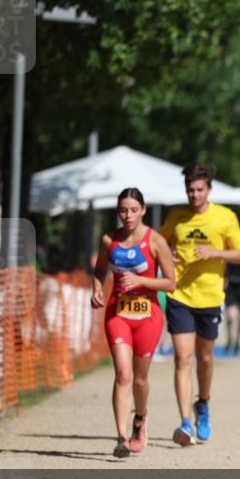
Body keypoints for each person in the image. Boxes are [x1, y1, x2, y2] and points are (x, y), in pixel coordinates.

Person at [160, 162, 240, 446]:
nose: (194, 195)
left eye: (199, 190)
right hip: (180, 295)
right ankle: (185, 422)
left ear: (209, 189)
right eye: (190, 190)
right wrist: (168, 255)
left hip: (210, 297)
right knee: (182, 358)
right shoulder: (177, 216)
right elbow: (159, 243)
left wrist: (215, 252)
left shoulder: (224, 217)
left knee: (205, 358)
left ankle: (204, 404)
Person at [91, 188, 176, 458]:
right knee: (123, 374)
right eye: (123, 210)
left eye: (133, 210)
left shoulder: (156, 241)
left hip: (148, 316)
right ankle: (121, 437)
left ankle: (140, 419)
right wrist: (97, 289)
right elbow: (100, 270)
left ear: (143, 210)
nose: (127, 215)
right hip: (118, 314)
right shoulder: (109, 239)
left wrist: (141, 281)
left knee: (139, 379)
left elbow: (171, 283)